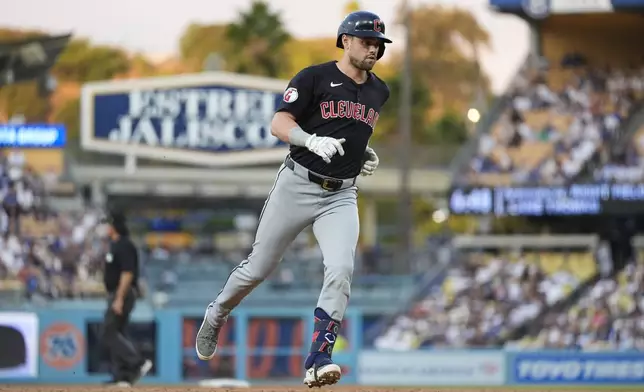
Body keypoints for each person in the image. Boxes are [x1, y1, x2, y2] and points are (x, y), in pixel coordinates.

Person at [195, 10, 391, 388]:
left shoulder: (378, 90)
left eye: (378, 44)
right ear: (345, 41)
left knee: (341, 270)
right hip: (298, 183)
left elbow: (354, 126)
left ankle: (319, 358)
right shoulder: (315, 77)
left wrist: (360, 151)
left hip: (341, 194)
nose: (373, 49)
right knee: (259, 267)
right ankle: (217, 312)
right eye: (366, 41)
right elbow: (279, 122)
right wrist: (309, 139)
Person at [101, 210, 152, 387]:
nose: (106, 227)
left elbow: (127, 273)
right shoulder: (114, 245)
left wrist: (119, 298)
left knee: (108, 331)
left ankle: (137, 362)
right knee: (118, 332)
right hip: (117, 293)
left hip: (122, 293)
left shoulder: (124, 245)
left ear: (115, 226)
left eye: (108, 224)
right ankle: (123, 377)